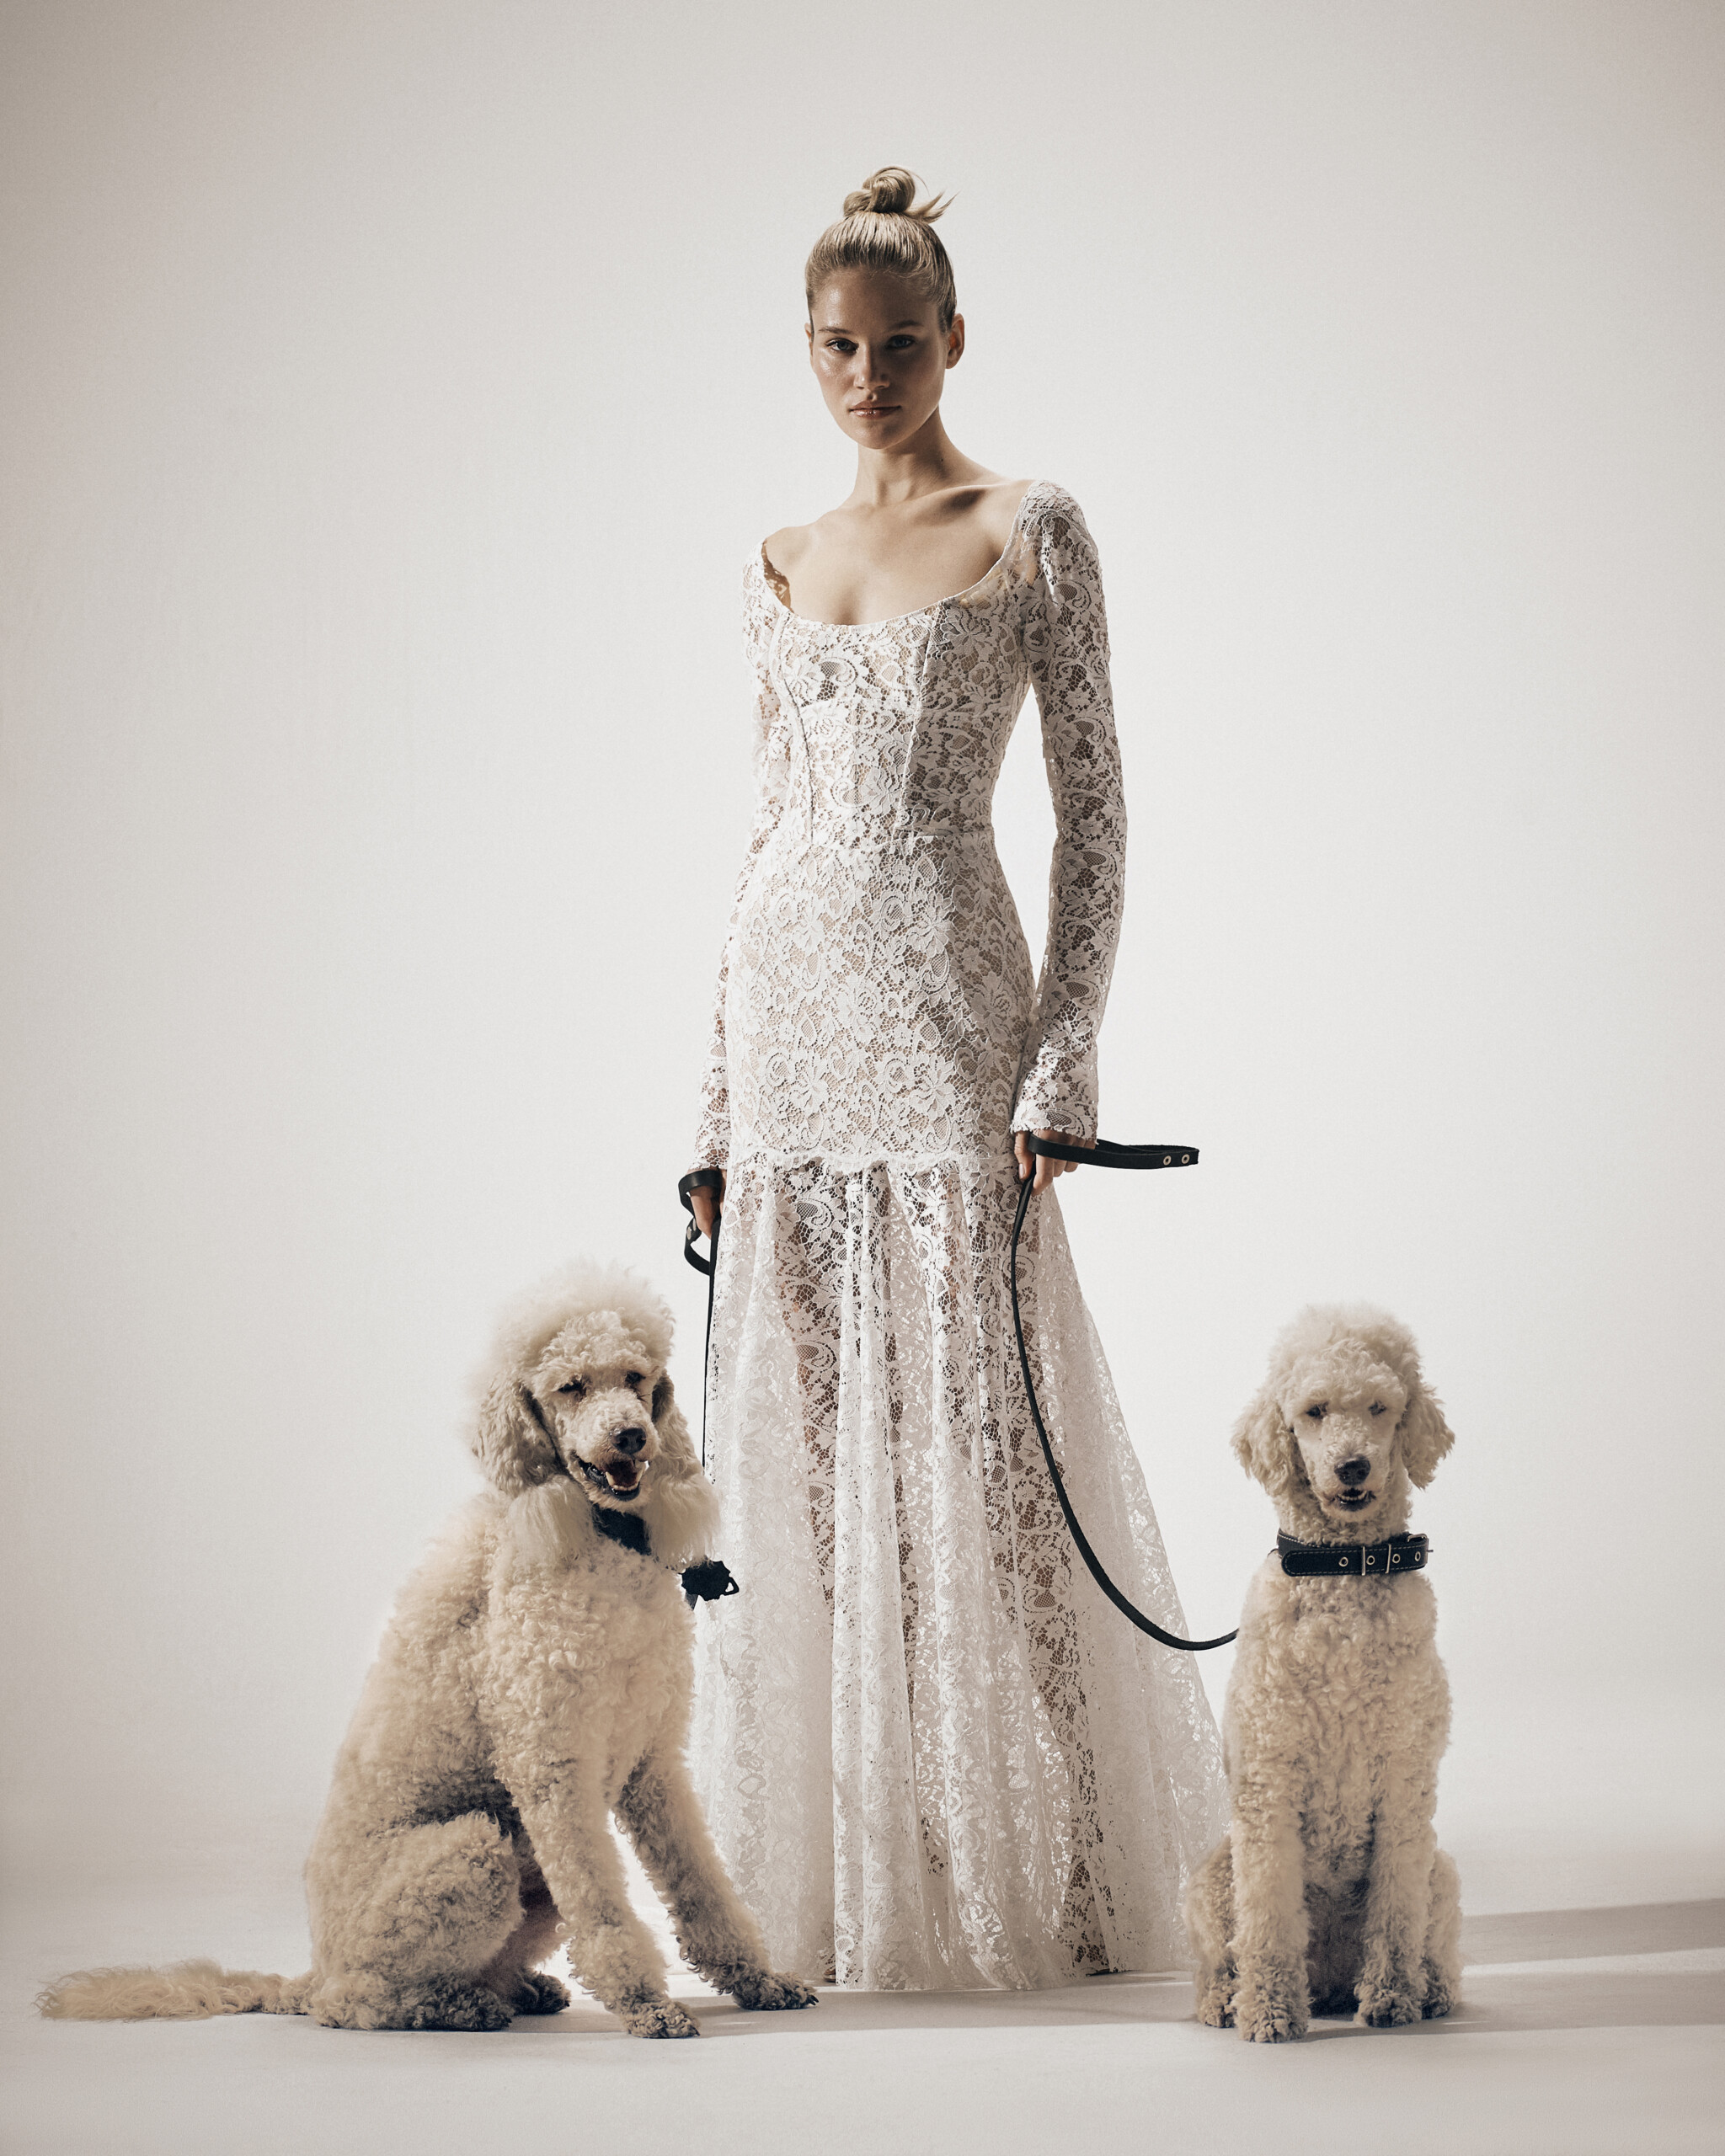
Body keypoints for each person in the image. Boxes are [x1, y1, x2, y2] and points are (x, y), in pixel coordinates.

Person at [684, 168, 1226, 1992]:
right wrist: (710, 1113)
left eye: (900, 346)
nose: (868, 379)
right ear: (807, 348)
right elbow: (766, 839)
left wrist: (1064, 1054)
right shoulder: (774, 559)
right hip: (787, 1039)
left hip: (947, 1025)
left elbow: (1097, 810)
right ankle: (885, 1863)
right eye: (837, 349)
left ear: (955, 340)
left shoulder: (1031, 524)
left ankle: (1064, 1855)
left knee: (993, 1457)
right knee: (829, 1488)